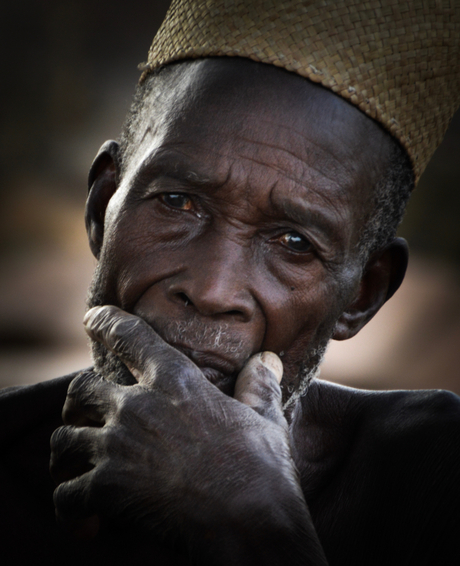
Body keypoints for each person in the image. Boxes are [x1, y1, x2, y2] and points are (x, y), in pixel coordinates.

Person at [2, 1, 460, 564]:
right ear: (102, 206)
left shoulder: (440, 474)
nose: (213, 290)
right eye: (177, 202)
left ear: (362, 295)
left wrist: (249, 516)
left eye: (294, 243)